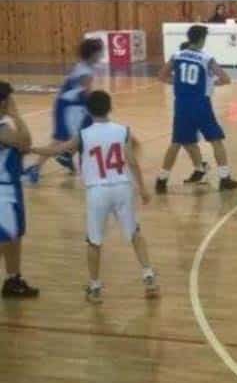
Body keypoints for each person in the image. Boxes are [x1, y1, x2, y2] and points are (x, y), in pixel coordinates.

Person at [32, 91, 158, 303]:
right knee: (135, 233)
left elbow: (57, 150)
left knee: (94, 241)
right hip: (122, 188)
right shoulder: (123, 131)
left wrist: (31, 149)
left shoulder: (83, 135)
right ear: (110, 107)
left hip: (97, 191)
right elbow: (132, 162)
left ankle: (95, 288)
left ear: (88, 111)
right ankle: (149, 278)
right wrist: (143, 189)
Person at [155, 25, 237, 193]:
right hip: (201, 104)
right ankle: (224, 178)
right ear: (202, 39)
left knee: (176, 143)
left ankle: (161, 180)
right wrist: (211, 83)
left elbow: (161, 76)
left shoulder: (177, 55)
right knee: (216, 140)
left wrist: (179, 83)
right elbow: (225, 79)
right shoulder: (206, 58)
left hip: (181, 105)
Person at [24, 38, 103, 183]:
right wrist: (99, 108)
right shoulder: (85, 71)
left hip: (76, 106)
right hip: (68, 107)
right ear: (93, 54)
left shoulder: (85, 66)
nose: (102, 54)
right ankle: (35, 167)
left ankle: (66, 155)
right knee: (59, 140)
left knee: (84, 133)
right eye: (100, 52)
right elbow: (87, 94)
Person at [0, 82, 39, 298]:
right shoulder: (3, 129)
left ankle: (13, 279)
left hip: (10, 189)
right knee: (6, 238)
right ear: (4, 101)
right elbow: (25, 142)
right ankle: (12, 279)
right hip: (3, 192)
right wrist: (17, 116)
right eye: (11, 99)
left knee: (13, 236)